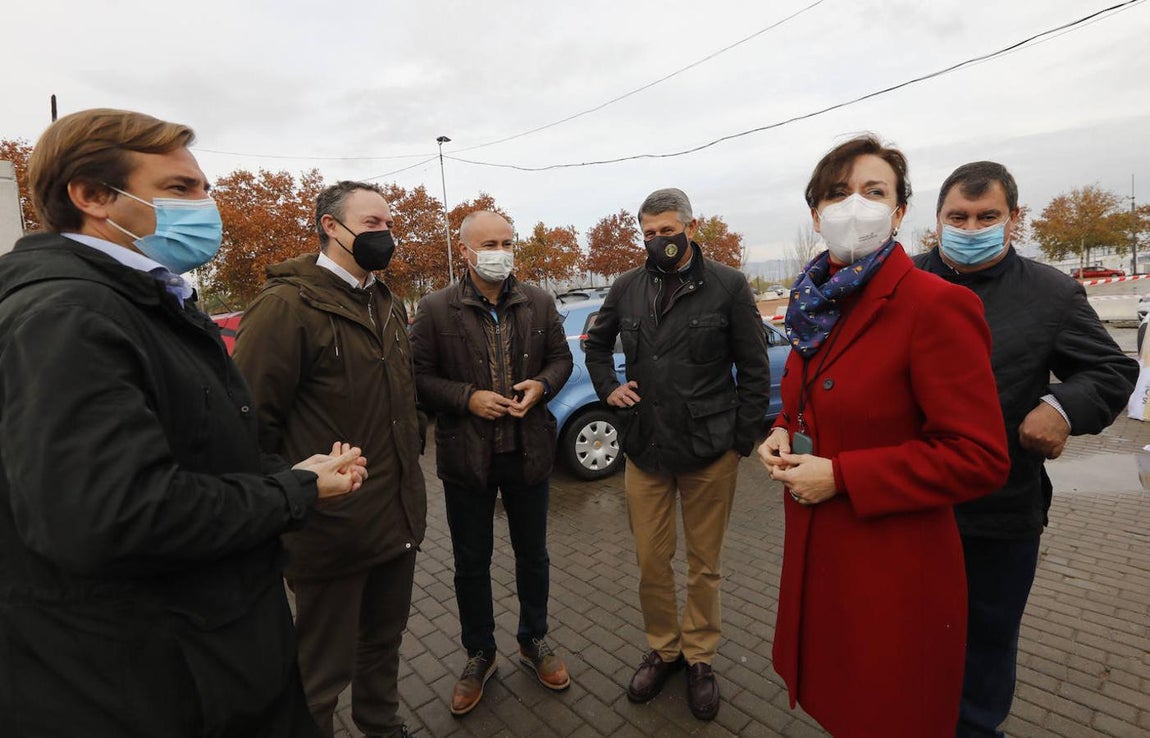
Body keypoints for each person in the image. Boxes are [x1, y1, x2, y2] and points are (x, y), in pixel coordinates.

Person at [0, 108, 367, 738]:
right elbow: (114, 515)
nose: (206, 203)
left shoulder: (139, 300)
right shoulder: (68, 317)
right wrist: (293, 491)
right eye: (178, 189)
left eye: (203, 187)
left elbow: (201, 450)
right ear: (90, 196)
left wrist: (289, 472)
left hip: (207, 660)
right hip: (159, 684)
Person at [756, 135, 1011, 737]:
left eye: (874, 192)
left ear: (899, 212)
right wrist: (778, 431)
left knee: (889, 711)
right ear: (816, 214)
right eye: (838, 193)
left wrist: (842, 476)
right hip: (823, 559)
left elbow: (979, 458)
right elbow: (809, 399)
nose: (855, 206)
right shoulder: (815, 303)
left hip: (893, 571)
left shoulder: (934, 304)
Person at [915, 161, 1139, 738]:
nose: (970, 227)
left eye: (987, 216)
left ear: (1013, 219)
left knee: (987, 642)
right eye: (957, 217)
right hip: (909, 504)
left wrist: (1063, 406)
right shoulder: (901, 285)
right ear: (936, 220)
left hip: (1001, 510)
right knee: (906, 638)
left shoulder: (1051, 292)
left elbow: (1112, 369)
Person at [232, 180, 427, 738]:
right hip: (330, 532)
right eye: (371, 224)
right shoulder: (284, 307)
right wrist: (296, 498)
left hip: (397, 518)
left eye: (388, 224)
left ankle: (382, 726)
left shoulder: (385, 301)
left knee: (382, 646)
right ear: (330, 227)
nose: (384, 235)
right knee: (320, 674)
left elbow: (401, 399)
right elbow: (247, 427)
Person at [583, 188, 770, 721]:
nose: (658, 241)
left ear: (691, 228)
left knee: (704, 567)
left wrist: (741, 442)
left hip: (710, 452)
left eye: (667, 231)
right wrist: (607, 389)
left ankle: (700, 658)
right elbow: (596, 345)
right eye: (648, 233)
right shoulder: (626, 287)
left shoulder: (728, 286)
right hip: (645, 449)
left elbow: (753, 369)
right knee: (651, 561)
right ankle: (664, 649)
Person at [409, 210, 574, 716]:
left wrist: (542, 386)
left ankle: (534, 639)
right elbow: (418, 377)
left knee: (534, 556)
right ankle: (479, 651)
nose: (500, 251)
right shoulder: (436, 309)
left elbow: (562, 360)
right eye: (488, 243)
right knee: (470, 564)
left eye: (506, 241)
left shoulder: (540, 301)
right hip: (468, 459)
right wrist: (467, 398)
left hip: (529, 453)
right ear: (465, 251)